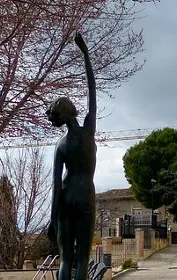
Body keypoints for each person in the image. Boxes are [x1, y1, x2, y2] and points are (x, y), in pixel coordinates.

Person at [46, 32, 97, 280]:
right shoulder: (89, 131)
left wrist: (52, 218)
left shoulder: (61, 145)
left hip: (66, 199)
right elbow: (91, 88)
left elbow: (56, 186)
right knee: (82, 260)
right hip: (86, 196)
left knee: (66, 260)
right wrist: (85, 54)